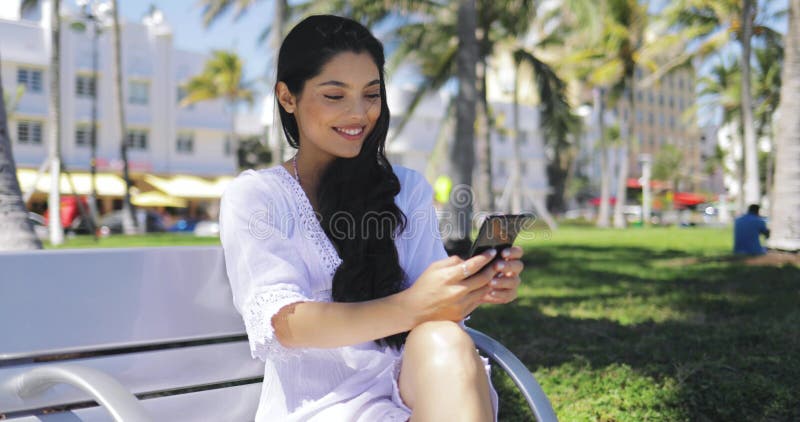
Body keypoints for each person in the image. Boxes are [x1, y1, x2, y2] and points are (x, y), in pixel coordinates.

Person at [219, 15, 524, 421]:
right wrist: (413, 304)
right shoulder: (257, 197)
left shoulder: (408, 189)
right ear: (287, 97)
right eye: (334, 96)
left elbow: (431, 308)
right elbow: (286, 325)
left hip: (417, 392)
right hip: (325, 406)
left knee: (444, 340)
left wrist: (474, 286)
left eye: (371, 94)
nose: (359, 113)